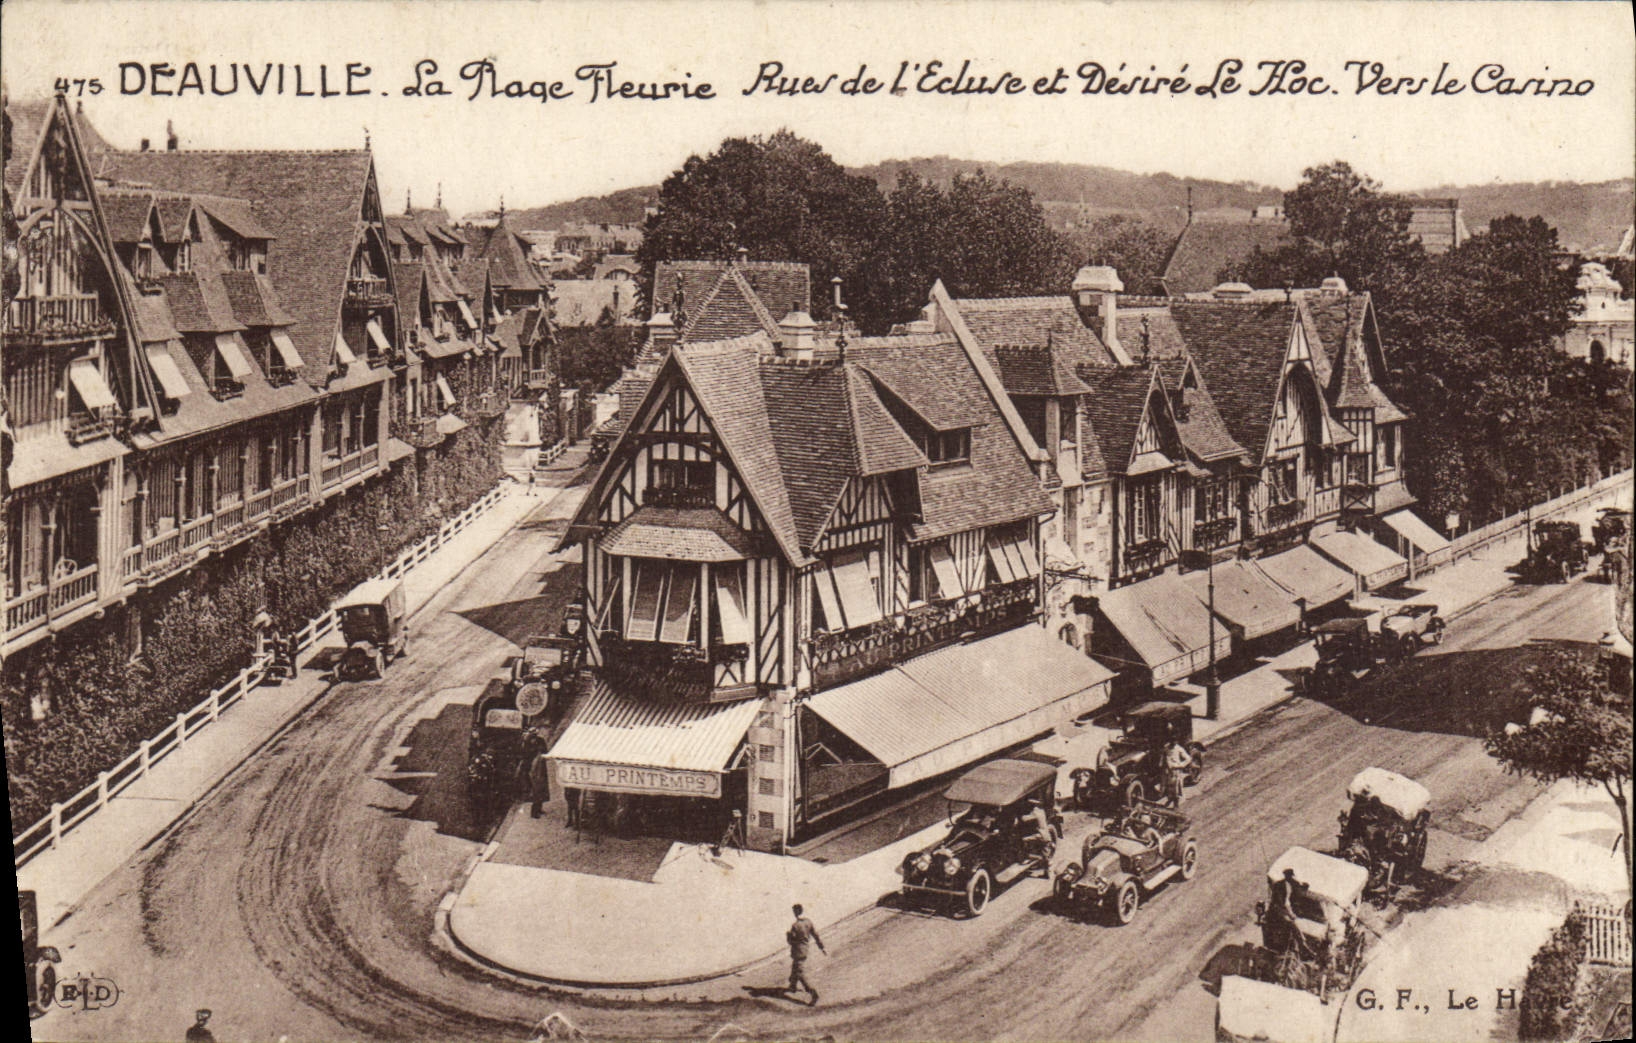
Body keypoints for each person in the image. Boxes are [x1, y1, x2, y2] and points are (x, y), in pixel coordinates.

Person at [784, 904, 826, 1006]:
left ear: (795, 912)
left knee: (799, 973)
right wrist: (821, 947)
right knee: (795, 967)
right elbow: (815, 935)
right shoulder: (808, 922)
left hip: (798, 951)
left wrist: (788, 936)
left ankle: (813, 993)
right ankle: (792, 986)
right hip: (805, 949)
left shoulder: (795, 926)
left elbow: (791, 941)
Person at [1163, 740, 1193, 808]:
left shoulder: (1179, 749)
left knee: (1176, 788)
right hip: (1168, 771)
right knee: (1168, 787)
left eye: (1174, 742)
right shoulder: (1166, 748)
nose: (1172, 743)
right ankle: (1170, 799)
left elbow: (1188, 759)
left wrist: (1181, 765)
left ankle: (1176, 805)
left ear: (1176, 742)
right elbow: (1164, 757)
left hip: (1176, 771)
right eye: (1171, 741)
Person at [528, 746, 551, 819]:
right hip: (538, 781)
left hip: (541, 780)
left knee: (540, 796)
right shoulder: (538, 760)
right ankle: (534, 813)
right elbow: (533, 772)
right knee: (537, 797)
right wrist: (536, 780)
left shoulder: (539, 759)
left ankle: (539, 810)